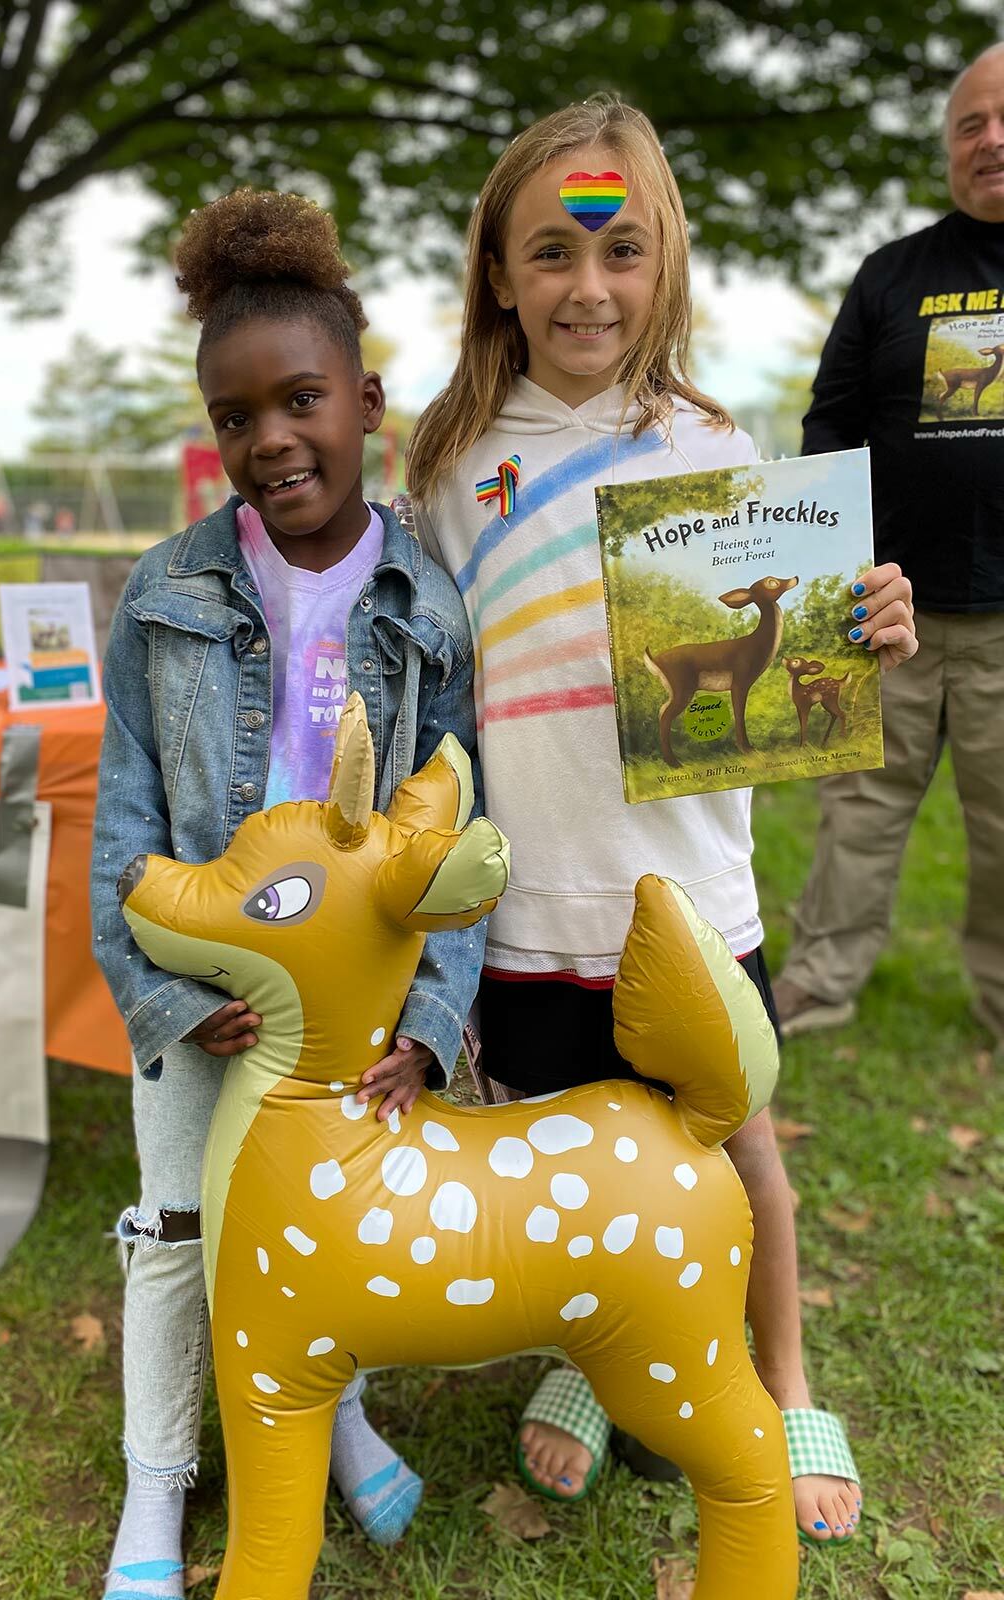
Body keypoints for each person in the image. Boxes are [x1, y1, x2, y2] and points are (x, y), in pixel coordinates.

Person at [405, 98, 917, 1544]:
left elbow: (796, 668)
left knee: (735, 1142)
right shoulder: (448, 464)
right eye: (553, 251)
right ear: (498, 273)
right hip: (530, 905)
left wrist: (858, 623)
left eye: (622, 248)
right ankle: (587, 1355)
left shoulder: (711, 439)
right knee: (569, 1156)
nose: (589, 285)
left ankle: (785, 1373)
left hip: (687, 902)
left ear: (665, 263)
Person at [90, 189, 484, 1600]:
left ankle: (338, 1419)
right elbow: (125, 826)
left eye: (301, 399)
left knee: (327, 1229)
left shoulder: (428, 612)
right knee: (181, 1234)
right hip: (213, 1006)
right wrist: (158, 993)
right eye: (235, 416)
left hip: (354, 1006)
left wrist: (434, 1021)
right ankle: (156, 1486)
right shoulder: (166, 594)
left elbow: (456, 833)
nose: (270, 441)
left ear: (368, 399)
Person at [773, 43, 1004, 1050]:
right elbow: (831, 425)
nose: (991, 138)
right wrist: (840, 568)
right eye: (970, 123)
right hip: (892, 609)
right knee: (858, 815)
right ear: (950, 146)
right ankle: (818, 986)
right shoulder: (891, 276)